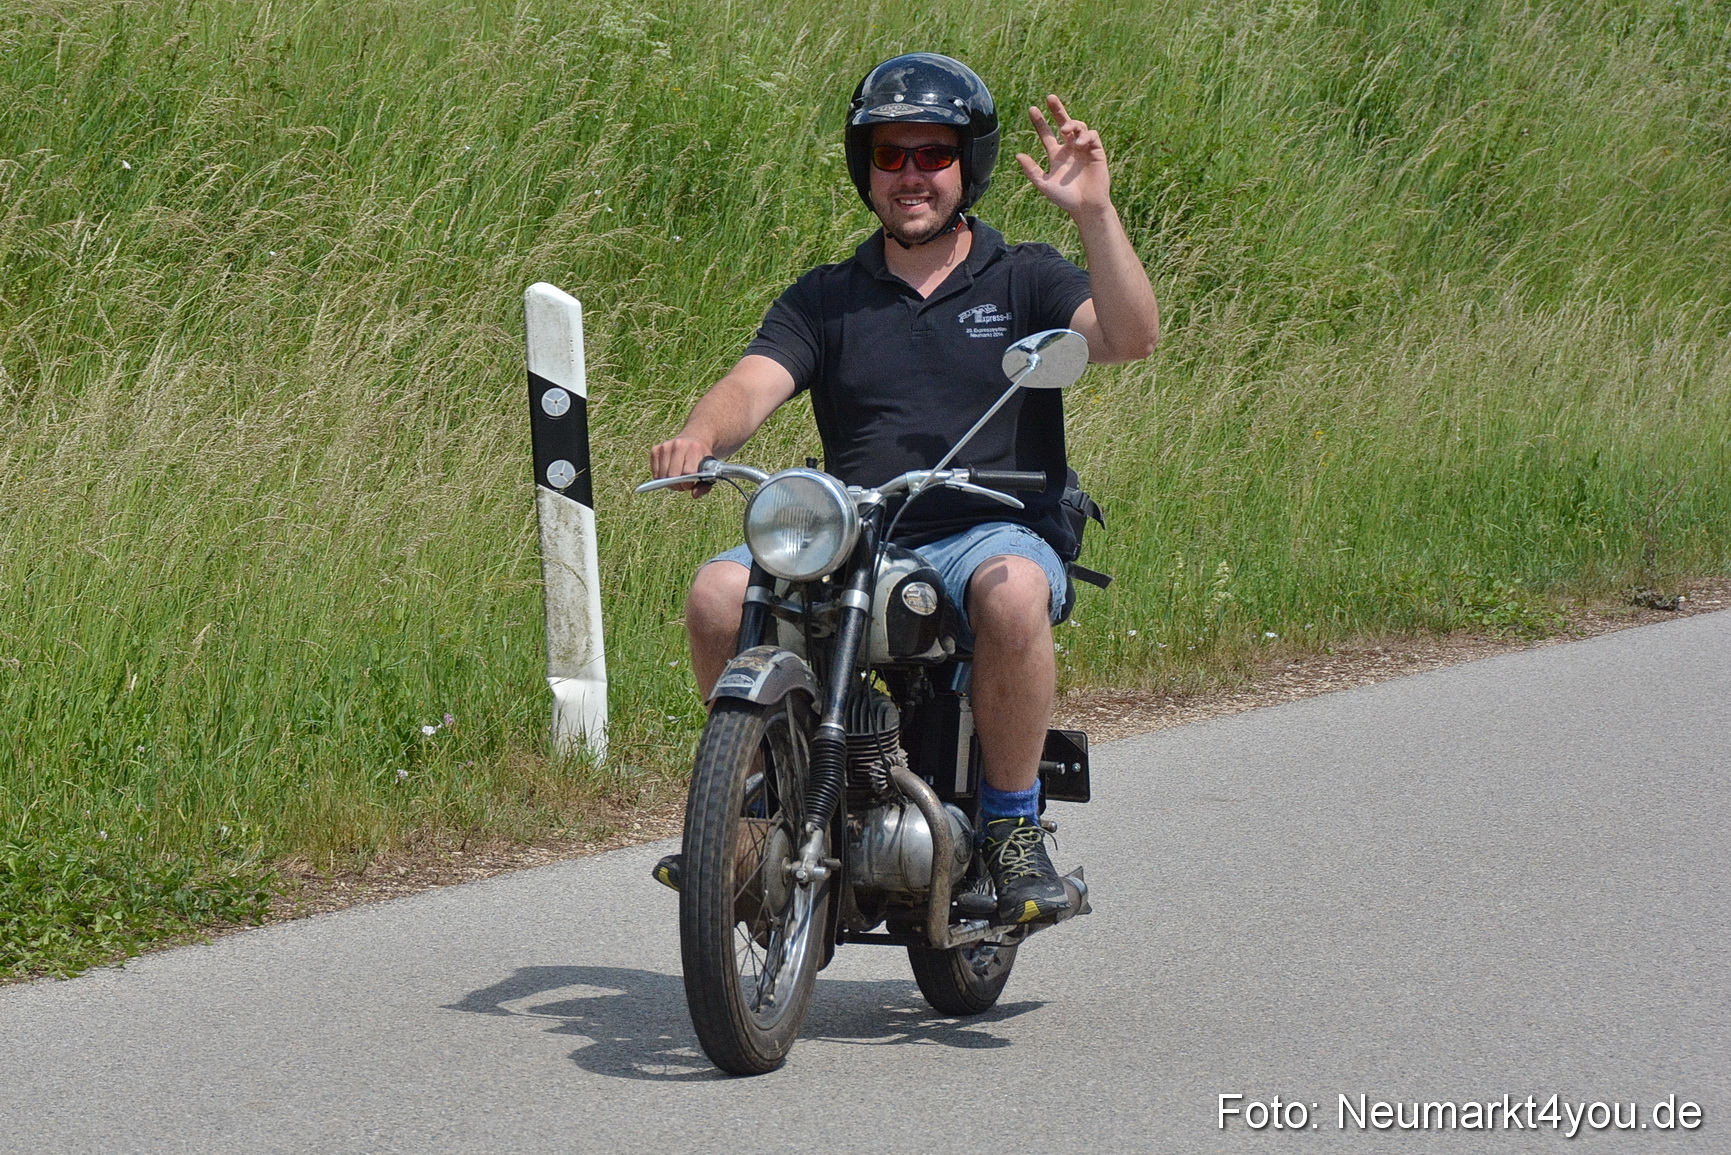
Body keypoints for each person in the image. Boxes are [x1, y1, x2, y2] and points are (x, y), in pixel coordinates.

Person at [650, 53, 1159, 924]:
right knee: (716, 590)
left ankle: (1010, 828)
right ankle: (750, 820)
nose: (912, 174)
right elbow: (755, 381)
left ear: (968, 166)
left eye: (933, 154)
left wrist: (1096, 215)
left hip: (987, 528)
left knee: (1013, 592)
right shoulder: (827, 297)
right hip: (857, 530)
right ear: (867, 169)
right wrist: (700, 436)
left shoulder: (1022, 276)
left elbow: (1128, 336)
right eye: (892, 155)